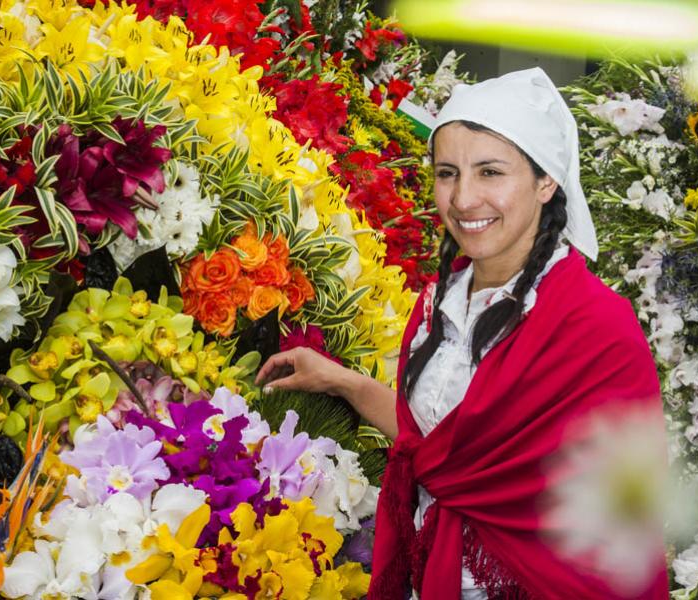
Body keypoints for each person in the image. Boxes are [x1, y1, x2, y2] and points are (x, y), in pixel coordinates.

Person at [255, 68, 669, 599]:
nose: (464, 198)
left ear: (547, 182)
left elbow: (622, 516)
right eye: (448, 173)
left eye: (491, 172)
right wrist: (346, 383)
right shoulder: (441, 299)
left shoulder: (594, 325)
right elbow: (438, 448)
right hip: (432, 574)